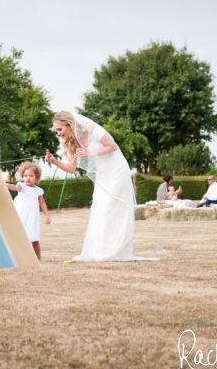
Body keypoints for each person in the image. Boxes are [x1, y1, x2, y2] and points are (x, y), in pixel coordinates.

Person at [45, 111, 155, 262]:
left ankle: (112, 253)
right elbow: (71, 168)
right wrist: (54, 161)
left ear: (69, 124)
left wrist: (90, 152)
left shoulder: (91, 128)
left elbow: (113, 146)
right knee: (100, 210)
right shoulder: (72, 143)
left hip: (116, 170)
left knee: (109, 208)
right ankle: (99, 253)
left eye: (60, 129)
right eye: (56, 130)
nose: (58, 133)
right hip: (103, 174)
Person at [6, 161, 51, 261]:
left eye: (31, 175)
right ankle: (16, 257)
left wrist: (47, 215)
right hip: (20, 214)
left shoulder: (38, 190)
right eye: (25, 175)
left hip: (31, 217)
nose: (28, 178)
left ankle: (38, 258)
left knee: (33, 237)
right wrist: (8, 186)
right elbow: (15, 187)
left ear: (36, 177)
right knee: (18, 235)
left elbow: (42, 203)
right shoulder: (22, 186)